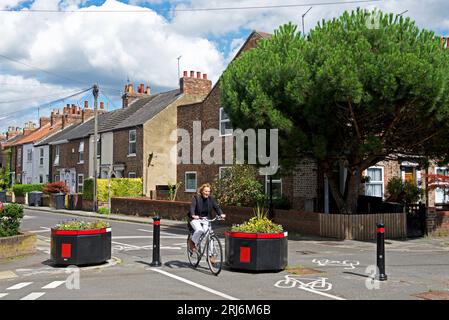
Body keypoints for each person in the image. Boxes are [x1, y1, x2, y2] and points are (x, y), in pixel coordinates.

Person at [188, 183, 225, 262]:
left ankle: (210, 255)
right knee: (200, 230)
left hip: (205, 219)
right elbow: (192, 207)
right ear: (201, 191)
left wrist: (221, 214)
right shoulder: (196, 198)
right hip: (195, 218)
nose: (207, 193)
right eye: (205, 191)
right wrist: (193, 215)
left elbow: (216, 207)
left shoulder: (211, 199)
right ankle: (192, 242)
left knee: (209, 235)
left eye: (208, 191)